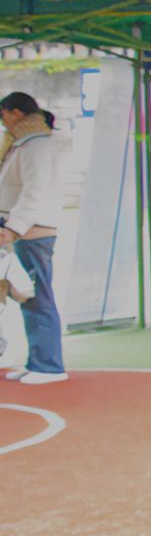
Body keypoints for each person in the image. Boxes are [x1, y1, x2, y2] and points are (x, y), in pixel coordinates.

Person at [0, 91, 66, 383]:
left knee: (37, 295)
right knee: (27, 295)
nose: (3, 122)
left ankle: (49, 366)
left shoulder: (36, 145)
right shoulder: (25, 143)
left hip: (32, 230)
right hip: (24, 229)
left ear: (15, 113)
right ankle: (38, 361)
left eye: (4, 115)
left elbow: (34, 192)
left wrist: (13, 227)